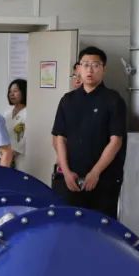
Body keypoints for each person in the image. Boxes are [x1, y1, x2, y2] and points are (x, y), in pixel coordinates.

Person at [51, 46, 128, 218]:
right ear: (78, 68)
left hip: (103, 179)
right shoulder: (68, 100)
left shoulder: (113, 100)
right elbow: (59, 138)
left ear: (103, 69)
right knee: (67, 224)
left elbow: (116, 141)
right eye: (85, 65)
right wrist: (66, 171)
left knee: (100, 226)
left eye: (95, 65)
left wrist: (95, 173)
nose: (90, 70)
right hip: (70, 177)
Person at [5, 79, 27, 171]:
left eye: (15, 91)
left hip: (21, 157)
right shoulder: (7, 113)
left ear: (24, 92)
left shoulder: (28, 112)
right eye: (10, 91)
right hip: (6, 155)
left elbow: (26, 138)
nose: (11, 94)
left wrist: (13, 153)